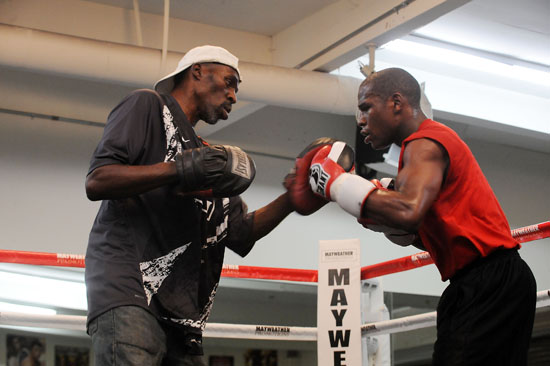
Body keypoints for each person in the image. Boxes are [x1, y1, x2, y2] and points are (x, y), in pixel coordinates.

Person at [84, 45, 327, 366]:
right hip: (131, 295)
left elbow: (240, 233)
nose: (233, 96)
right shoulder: (148, 105)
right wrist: (179, 169)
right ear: (197, 72)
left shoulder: (209, 158)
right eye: (229, 82)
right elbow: (98, 180)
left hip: (184, 317)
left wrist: (292, 200)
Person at [307, 68, 537, 365]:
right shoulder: (417, 151)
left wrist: (337, 184)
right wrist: (380, 213)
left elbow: (408, 211)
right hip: (481, 282)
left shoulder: (425, 142)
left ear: (397, 103)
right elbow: (424, 230)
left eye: (366, 107)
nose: (360, 120)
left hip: (490, 281)